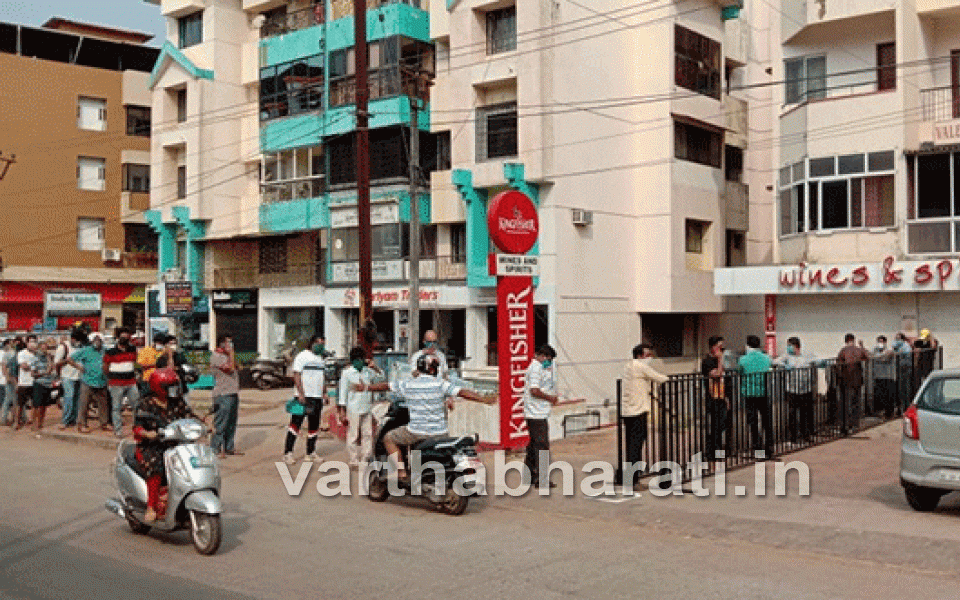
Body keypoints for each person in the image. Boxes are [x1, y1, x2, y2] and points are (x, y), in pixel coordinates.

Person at [361, 354, 493, 482]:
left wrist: (367, 387)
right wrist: (483, 399)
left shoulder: (409, 384)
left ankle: (401, 472)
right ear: (431, 369)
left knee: (389, 438)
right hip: (440, 432)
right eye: (435, 366)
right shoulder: (441, 384)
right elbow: (463, 392)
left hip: (417, 432)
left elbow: (386, 386)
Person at [133, 368, 204, 523]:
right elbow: (137, 428)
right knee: (156, 464)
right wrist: (147, 434)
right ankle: (151, 507)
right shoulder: (145, 404)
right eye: (169, 386)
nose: (174, 390)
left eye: (174, 386)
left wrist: (200, 423)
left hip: (176, 444)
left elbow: (188, 415)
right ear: (159, 387)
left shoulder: (177, 401)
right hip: (151, 447)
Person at [622, 342, 668, 479]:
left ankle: (632, 474)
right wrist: (669, 378)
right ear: (639, 356)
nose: (649, 358)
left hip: (628, 411)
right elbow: (660, 378)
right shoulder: (640, 366)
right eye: (647, 355)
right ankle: (632, 477)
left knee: (632, 444)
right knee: (636, 445)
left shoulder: (628, 366)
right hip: (638, 411)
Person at [283, 334, 327, 464]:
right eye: (319, 343)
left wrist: (324, 393)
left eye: (323, 344)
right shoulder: (302, 356)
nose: (321, 346)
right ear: (312, 343)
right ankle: (288, 453)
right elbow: (296, 375)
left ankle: (311, 452)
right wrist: (300, 393)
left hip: (317, 396)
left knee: (314, 425)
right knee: (295, 424)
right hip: (304, 396)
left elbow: (322, 377)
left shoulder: (320, 359)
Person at [337, 346, 383, 467]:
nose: (359, 362)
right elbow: (342, 392)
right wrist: (342, 410)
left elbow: (381, 377)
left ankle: (366, 457)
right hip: (353, 408)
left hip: (366, 407)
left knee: (367, 434)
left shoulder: (368, 371)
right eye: (356, 360)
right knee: (353, 435)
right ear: (352, 361)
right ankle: (353, 458)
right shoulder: (347, 373)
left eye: (361, 359)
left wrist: (375, 367)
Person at [523, 344, 560, 488]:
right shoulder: (535, 368)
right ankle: (541, 478)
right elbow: (534, 390)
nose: (549, 362)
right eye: (548, 359)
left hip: (540, 412)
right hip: (535, 413)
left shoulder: (543, 367)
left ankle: (529, 474)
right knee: (542, 445)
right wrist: (550, 398)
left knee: (534, 445)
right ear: (541, 356)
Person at [773, 337, 818, 445]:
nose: (788, 348)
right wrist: (784, 365)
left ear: (795, 346)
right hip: (792, 390)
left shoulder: (806, 355)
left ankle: (805, 435)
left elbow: (816, 361)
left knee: (805, 414)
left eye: (789, 345)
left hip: (805, 389)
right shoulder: (787, 356)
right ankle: (793, 437)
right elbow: (774, 361)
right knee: (792, 414)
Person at [67, 332, 110, 434]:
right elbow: (70, 359)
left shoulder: (105, 351)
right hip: (87, 381)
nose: (97, 342)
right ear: (91, 341)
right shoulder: (86, 350)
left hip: (102, 381)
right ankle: (82, 424)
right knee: (84, 404)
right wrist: (79, 367)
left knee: (103, 404)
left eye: (99, 340)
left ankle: (104, 423)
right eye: (95, 340)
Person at [739, 335, 773, 458]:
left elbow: (740, 371)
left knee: (753, 422)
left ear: (747, 345)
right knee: (766, 421)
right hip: (763, 391)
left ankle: (757, 448)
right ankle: (769, 448)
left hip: (749, 392)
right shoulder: (766, 358)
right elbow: (770, 365)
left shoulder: (743, 359)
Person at [210, 334, 243, 458]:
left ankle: (229, 447)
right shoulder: (216, 357)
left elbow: (238, 366)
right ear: (222, 344)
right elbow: (229, 368)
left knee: (231, 422)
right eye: (228, 342)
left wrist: (231, 355)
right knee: (221, 422)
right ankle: (216, 449)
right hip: (222, 394)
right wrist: (231, 354)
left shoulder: (228, 356)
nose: (231, 345)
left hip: (232, 392)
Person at [103, 327, 140, 438]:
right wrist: (111, 377)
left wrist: (138, 374)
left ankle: (137, 428)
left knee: (136, 406)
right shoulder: (110, 352)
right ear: (118, 338)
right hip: (116, 384)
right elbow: (105, 367)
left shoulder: (133, 349)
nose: (125, 339)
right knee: (116, 407)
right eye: (122, 337)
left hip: (131, 382)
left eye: (126, 337)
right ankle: (118, 431)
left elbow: (136, 363)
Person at [701, 336, 730, 462]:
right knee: (714, 426)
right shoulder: (707, 361)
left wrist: (727, 398)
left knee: (722, 425)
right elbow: (716, 374)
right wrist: (719, 359)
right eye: (719, 347)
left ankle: (719, 451)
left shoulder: (720, 360)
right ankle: (712, 453)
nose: (721, 350)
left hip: (721, 396)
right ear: (713, 347)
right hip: (712, 397)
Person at [836, 333, 871, 435]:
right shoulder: (858, 350)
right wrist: (862, 346)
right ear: (853, 340)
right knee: (856, 403)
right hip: (857, 380)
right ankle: (855, 424)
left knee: (846, 404)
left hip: (846, 380)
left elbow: (839, 362)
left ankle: (845, 425)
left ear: (846, 340)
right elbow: (867, 357)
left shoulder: (843, 351)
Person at [55, 332, 83, 429]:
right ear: (72, 338)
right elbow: (57, 362)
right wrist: (67, 361)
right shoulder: (63, 347)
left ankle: (73, 420)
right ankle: (65, 421)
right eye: (77, 340)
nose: (79, 342)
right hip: (67, 376)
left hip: (79, 376)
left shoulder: (81, 347)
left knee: (77, 399)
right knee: (69, 397)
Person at [30, 339, 57, 437]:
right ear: (40, 347)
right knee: (37, 405)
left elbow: (52, 369)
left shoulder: (49, 357)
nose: (45, 348)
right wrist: (44, 373)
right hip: (39, 383)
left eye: (47, 347)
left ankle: (40, 424)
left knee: (44, 406)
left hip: (48, 383)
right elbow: (32, 373)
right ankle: (35, 425)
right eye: (44, 346)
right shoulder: (35, 358)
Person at [14, 335, 38, 431]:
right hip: (23, 383)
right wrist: (34, 368)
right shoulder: (22, 353)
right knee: (20, 404)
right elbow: (23, 366)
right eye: (30, 341)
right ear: (27, 343)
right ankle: (17, 422)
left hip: (35, 383)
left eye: (34, 341)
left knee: (34, 404)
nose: (32, 343)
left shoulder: (38, 354)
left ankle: (32, 421)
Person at [872, 335, 896, 419]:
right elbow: (871, 356)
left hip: (888, 376)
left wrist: (879, 356)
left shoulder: (889, 350)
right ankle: (880, 413)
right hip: (878, 376)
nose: (880, 343)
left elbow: (885, 358)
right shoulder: (875, 350)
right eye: (879, 341)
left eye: (882, 341)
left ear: (885, 342)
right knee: (880, 395)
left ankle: (889, 413)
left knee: (888, 396)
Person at [0, 338, 16, 426]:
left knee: (14, 399)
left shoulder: (15, 353)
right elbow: (4, 367)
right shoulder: (7, 354)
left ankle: (18, 417)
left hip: (15, 379)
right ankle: (4, 418)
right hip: (10, 379)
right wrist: (7, 377)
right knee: (9, 399)